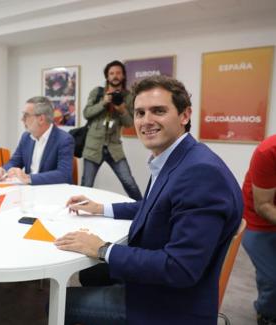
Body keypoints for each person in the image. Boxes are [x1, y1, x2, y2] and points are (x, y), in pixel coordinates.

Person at [55, 76, 243, 325]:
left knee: (55, 303)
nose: (146, 121)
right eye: (140, 113)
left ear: (185, 115)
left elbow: (180, 268)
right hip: (158, 284)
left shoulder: (201, 174)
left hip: (169, 305)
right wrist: (100, 208)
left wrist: (102, 248)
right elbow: (154, 206)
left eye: (158, 111)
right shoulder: (179, 158)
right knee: (90, 272)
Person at [81, 60, 142, 200]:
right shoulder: (97, 92)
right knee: (86, 185)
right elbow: (86, 113)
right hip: (93, 147)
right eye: (112, 73)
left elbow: (129, 124)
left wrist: (122, 110)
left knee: (129, 182)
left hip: (114, 147)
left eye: (118, 73)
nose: (115, 76)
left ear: (123, 76)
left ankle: (143, 210)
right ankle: (78, 212)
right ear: (107, 77)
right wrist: (104, 102)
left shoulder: (128, 97)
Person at [0, 96, 74, 185]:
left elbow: (64, 175)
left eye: (26, 115)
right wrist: (3, 170)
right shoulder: (26, 137)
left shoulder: (64, 139)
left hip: (51, 192)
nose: (22, 119)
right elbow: (14, 161)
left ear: (41, 119)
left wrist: (29, 178)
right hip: (29, 190)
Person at [241, 134, 276, 325]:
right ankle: (267, 315)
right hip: (258, 220)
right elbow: (263, 206)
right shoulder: (268, 151)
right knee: (273, 279)